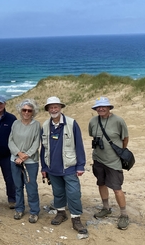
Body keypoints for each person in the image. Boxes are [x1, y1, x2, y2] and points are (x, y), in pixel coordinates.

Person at [40, 96, 88, 234]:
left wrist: (80, 165)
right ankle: (61, 213)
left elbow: (79, 145)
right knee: (58, 193)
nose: (54, 109)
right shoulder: (45, 125)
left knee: (74, 193)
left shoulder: (72, 123)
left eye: (56, 107)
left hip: (69, 166)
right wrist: (44, 167)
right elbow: (43, 149)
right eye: (51, 107)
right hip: (52, 167)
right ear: (48, 110)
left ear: (60, 108)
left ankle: (76, 218)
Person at [88, 97, 130, 230]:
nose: (100, 109)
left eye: (103, 106)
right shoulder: (93, 121)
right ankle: (106, 208)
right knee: (101, 183)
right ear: (95, 109)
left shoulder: (118, 121)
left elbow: (125, 139)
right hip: (98, 159)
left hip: (113, 161)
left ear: (109, 107)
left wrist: (119, 153)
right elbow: (92, 136)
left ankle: (124, 214)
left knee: (117, 188)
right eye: (98, 107)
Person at [8, 99, 41, 223]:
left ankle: (34, 211)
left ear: (33, 112)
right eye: (24, 110)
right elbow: (10, 141)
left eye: (29, 110)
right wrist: (18, 154)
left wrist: (25, 156)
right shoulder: (15, 123)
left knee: (31, 186)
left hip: (30, 161)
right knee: (18, 186)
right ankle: (19, 208)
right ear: (20, 111)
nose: (26, 112)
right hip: (14, 159)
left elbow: (36, 143)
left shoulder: (36, 125)